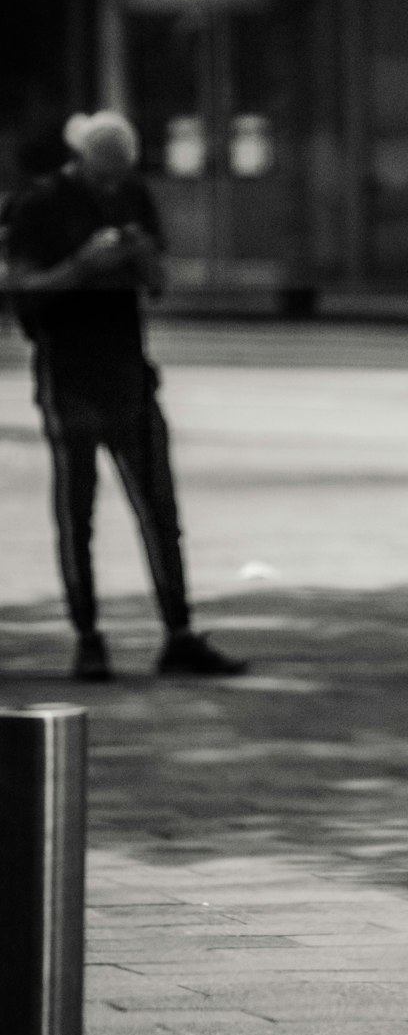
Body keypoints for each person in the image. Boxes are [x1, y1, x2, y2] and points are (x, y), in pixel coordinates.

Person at [4, 110, 246, 681]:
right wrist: (79, 267)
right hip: (67, 378)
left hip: (130, 376)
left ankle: (179, 633)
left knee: (160, 511)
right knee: (76, 514)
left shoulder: (133, 193)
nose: (114, 185)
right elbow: (19, 287)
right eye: (104, 174)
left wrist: (139, 256)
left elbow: (159, 281)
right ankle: (88, 637)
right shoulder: (38, 205)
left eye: (121, 175)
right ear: (83, 160)